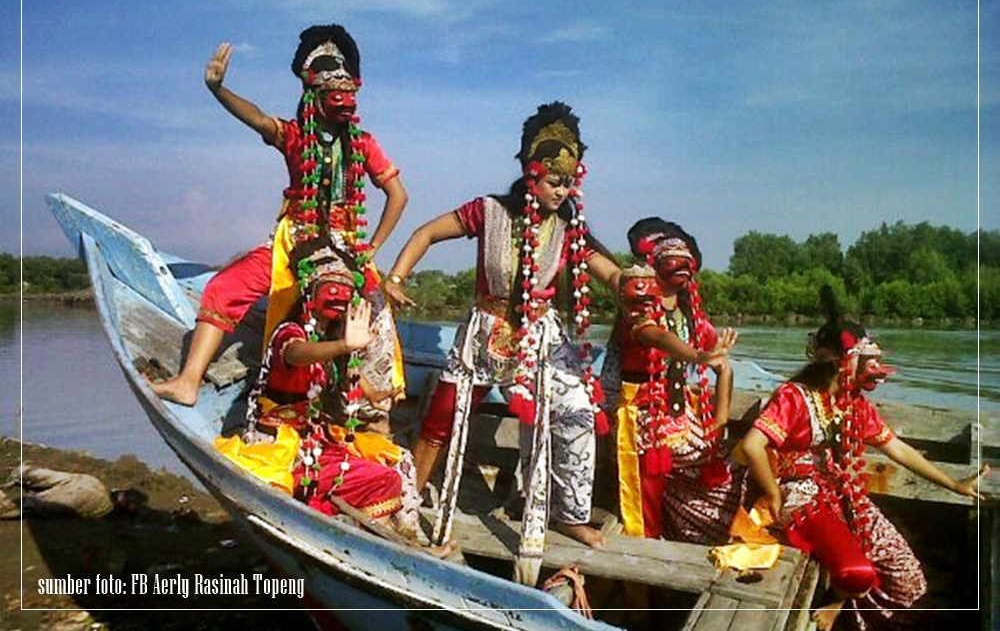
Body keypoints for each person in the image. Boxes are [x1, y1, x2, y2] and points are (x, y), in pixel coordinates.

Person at [383, 102, 621, 584]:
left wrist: (636, 284)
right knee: (440, 417)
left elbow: (611, 273)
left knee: (576, 408)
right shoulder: (488, 211)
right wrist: (396, 276)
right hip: (484, 331)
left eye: (570, 182)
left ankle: (568, 514)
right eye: (556, 181)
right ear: (532, 176)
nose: (564, 190)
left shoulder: (569, 227)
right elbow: (426, 232)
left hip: (537, 337)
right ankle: (404, 505)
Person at [153, 24, 408, 414]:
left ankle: (358, 412)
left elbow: (398, 196)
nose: (343, 104)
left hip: (348, 249)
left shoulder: (363, 145)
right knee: (223, 288)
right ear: (314, 97)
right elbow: (256, 117)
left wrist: (371, 248)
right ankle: (188, 382)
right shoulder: (294, 137)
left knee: (365, 320)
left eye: (347, 96)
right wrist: (218, 89)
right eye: (334, 96)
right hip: (291, 244)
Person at [739, 285, 988, 631]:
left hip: (843, 492)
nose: (873, 372)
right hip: (798, 495)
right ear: (844, 363)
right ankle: (834, 604)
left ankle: (853, 617)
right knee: (857, 572)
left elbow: (895, 448)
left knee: (908, 577)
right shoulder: (794, 396)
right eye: (865, 363)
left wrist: (954, 484)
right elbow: (753, 445)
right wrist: (774, 493)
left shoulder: (853, 402)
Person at [219, 242, 425, 541]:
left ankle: (411, 535)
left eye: (345, 292)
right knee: (381, 479)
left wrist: (376, 394)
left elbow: (352, 374)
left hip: (316, 437)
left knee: (401, 461)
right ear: (310, 295)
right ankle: (378, 541)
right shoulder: (291, 333)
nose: (340, 298)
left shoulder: (333, 337)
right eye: (332, 290)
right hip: (278, 444)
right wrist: (344, 345)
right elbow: (296, 355)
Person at [600, 218, 741, 543]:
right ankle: (641, 580)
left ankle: (690, 537)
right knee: (643, 513)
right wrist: (697, 356)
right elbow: (655, 337)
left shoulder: (691, 317)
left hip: (680, 420)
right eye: (672, 261)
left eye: (687, 262)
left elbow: (724, 368)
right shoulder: (638, 308)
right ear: (656, 267)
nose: (682, 267)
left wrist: (719, 421)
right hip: (643, 424)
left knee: (722, 475)